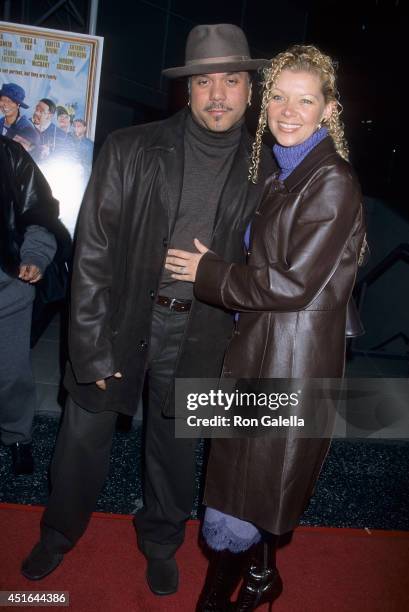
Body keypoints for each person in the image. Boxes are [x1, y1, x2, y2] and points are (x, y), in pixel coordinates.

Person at [21, 23, 275, 596]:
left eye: (231, 80)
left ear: (249, 89)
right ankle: (58, 533)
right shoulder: (130, 148)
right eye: (205, 81)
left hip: (205, 330)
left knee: (176, 452)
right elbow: (93, 254)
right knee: (81, 440)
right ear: (187, 89)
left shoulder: (269, 173)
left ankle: (162, 540)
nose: (218, 94)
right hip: (120, 320)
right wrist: (89, 346)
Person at [165, 44, 367, 610]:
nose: (287, 110)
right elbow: (273, 266)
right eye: (277, 96)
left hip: (285, 363)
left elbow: (290, 284)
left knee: (239, 494)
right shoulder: (288, 170)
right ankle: (260, 578)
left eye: (305, 100)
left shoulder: (330, 180)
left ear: (328, 109)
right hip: (260, 347)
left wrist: (211, 273)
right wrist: (225, 264)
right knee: (247, 480)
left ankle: (216, 603)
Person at [0, 135, 58, 475]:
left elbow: (41, 214)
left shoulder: (9, 154)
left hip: (8, 290)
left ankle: (18, 437)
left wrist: (35, 257)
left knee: (10, 376)